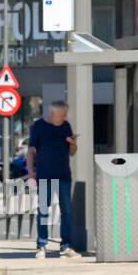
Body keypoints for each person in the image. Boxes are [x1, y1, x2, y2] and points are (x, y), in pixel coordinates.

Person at [27, 100, 79, 259]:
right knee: (43, 211)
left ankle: (66, 245)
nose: (63, 118)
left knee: (67, 212)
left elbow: (73, 152)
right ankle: (41, 245)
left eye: (65, 115)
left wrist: (73, 143)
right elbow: (31, 151)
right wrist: (31, 174)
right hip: (45, 175)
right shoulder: (39, 126)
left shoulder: (66, 126)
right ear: (52, 114)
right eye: (61, 115)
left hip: (63, 174)